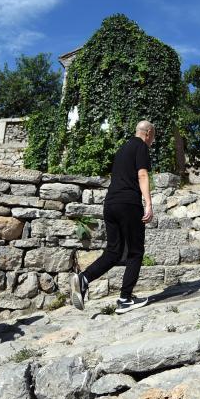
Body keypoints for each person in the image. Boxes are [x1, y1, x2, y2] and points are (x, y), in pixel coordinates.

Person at [70, 120, 155, 314]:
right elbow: (142, 175)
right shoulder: (140, 145)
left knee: (114, 252)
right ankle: (125, 299)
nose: (152, 142)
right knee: (135, 251)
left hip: (110, 205)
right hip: (128, 204)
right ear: (148, 133)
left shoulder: (122, 149)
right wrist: (148, 203)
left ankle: (83, 279)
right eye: (153, 137)